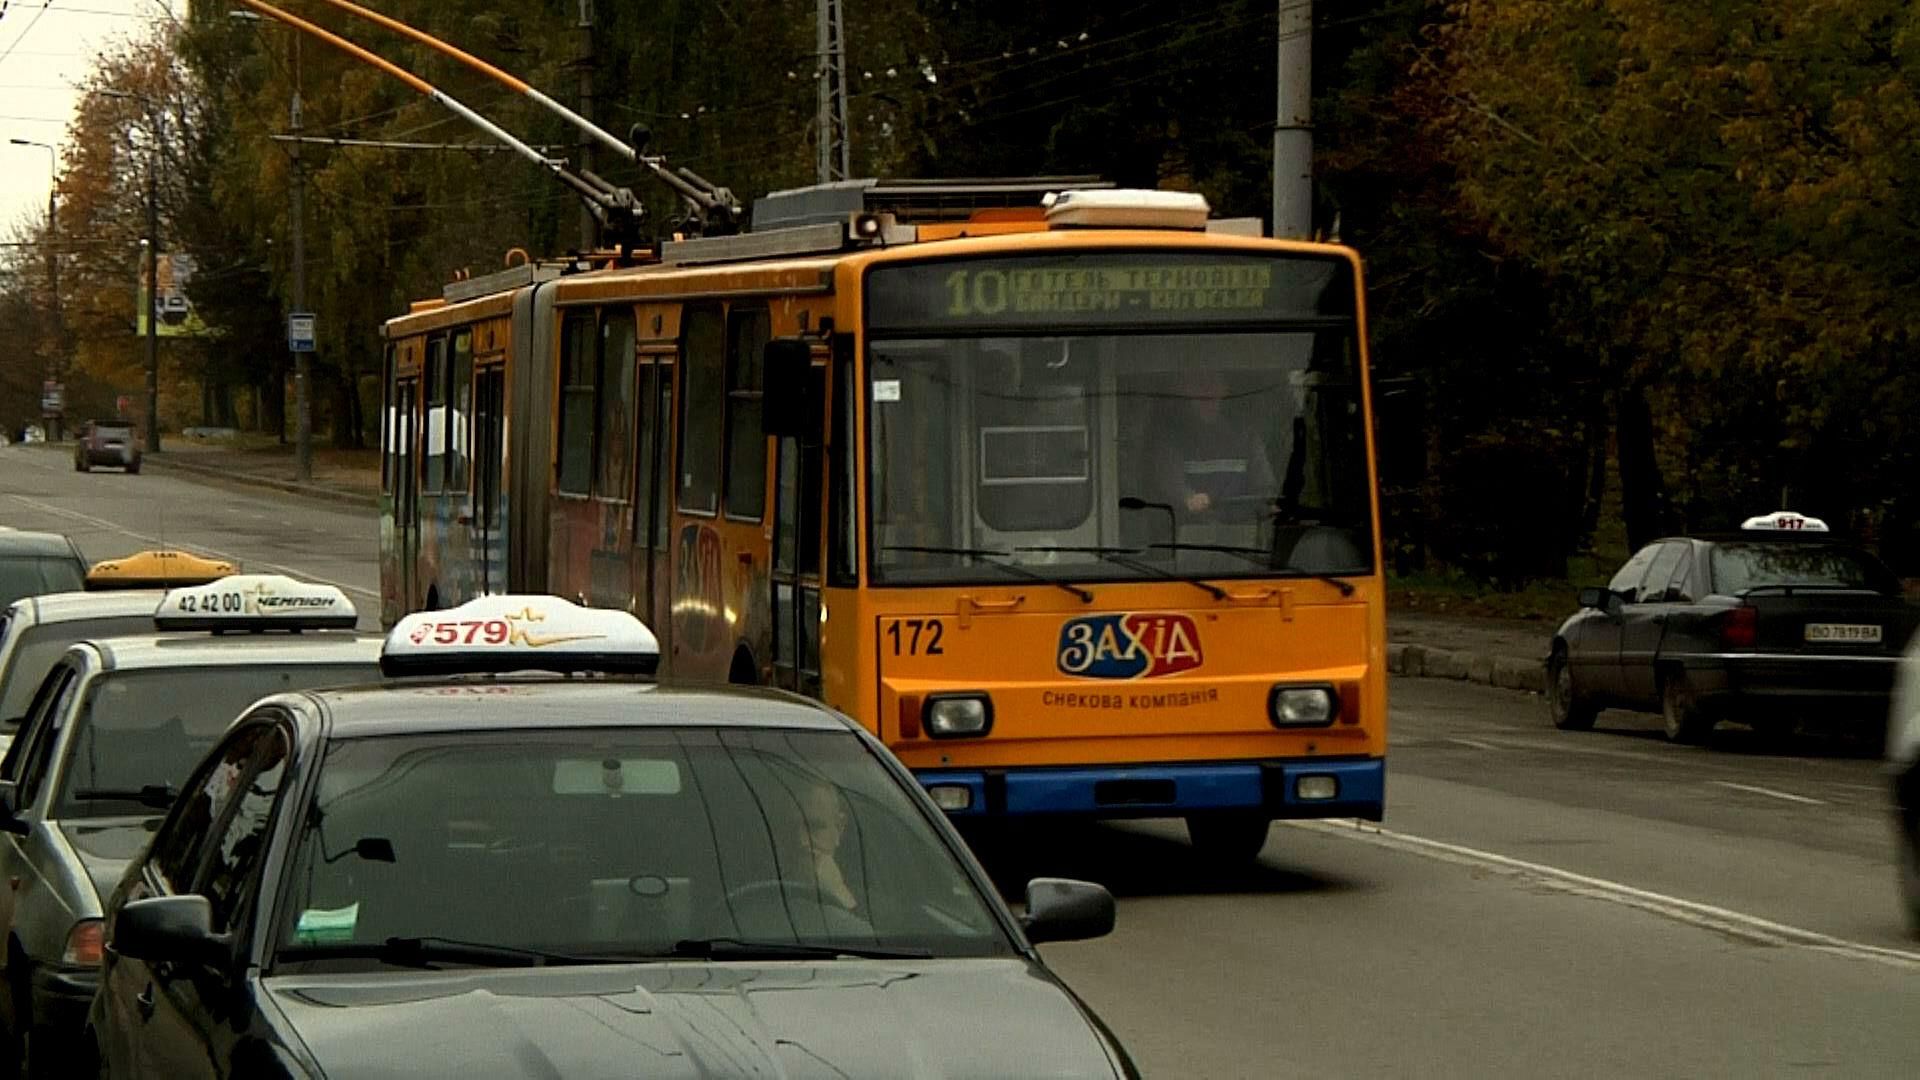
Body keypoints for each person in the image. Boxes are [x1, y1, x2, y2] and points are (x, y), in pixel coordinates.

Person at [1155, 369, 1277, 520]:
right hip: (1189, 530)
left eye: (1212, 383)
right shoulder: (1173, 438)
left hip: (1244, 529)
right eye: (1199, 384)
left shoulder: (1246, 436)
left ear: (1223, 389)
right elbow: (1170, 482)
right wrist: (1187, 497)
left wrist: (1268, 504)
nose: (1206, 391)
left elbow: (1264, 487)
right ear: (1187, 391)